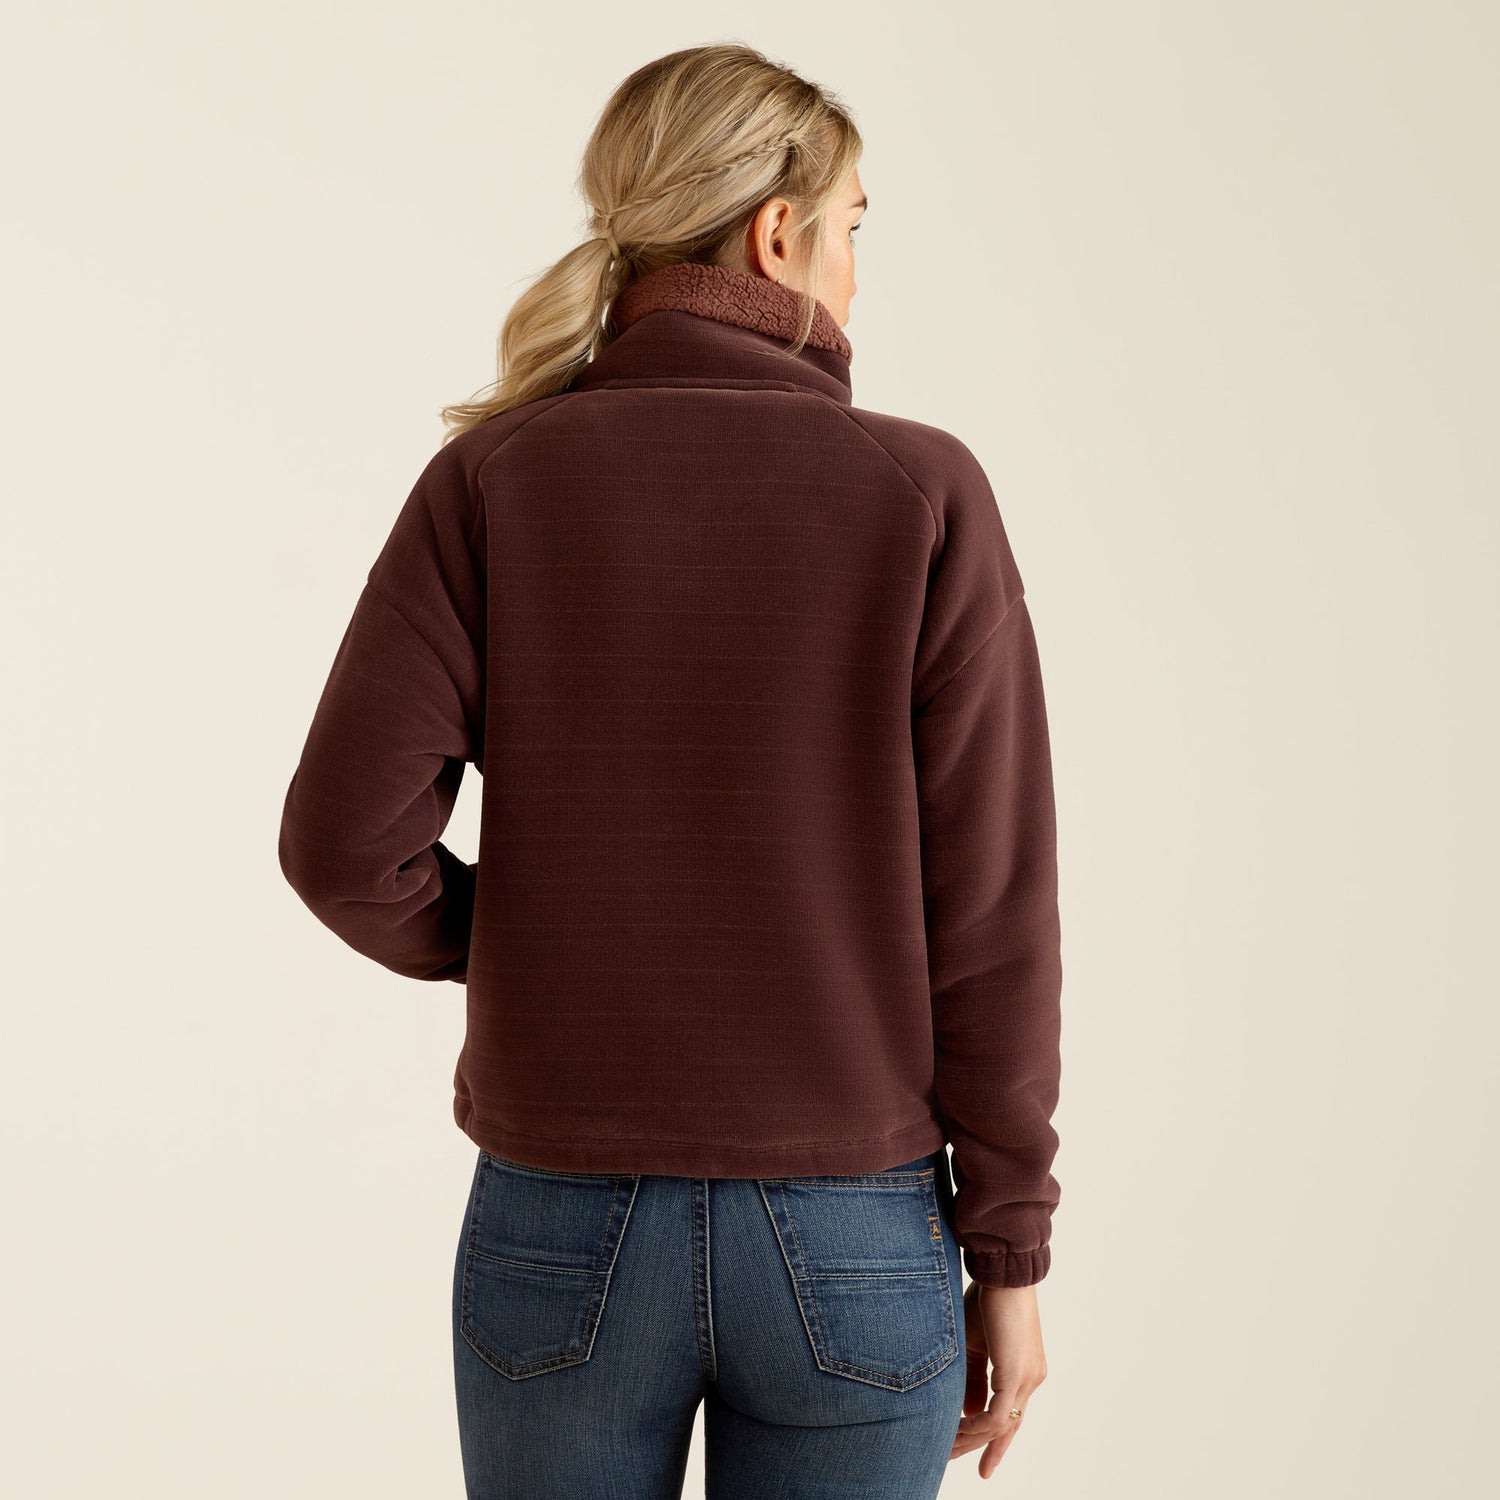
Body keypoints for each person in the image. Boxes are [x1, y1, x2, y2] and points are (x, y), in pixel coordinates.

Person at [278, 41, 1063, 1498]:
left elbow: (342, 846)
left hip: (561, 1221)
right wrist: (1009, 1254)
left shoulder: (494, 480)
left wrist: (534, 943)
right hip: (854, 1233)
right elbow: (993, 916)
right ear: (778, 233)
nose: (855, 276)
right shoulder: (923, 493)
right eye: (852, 231)